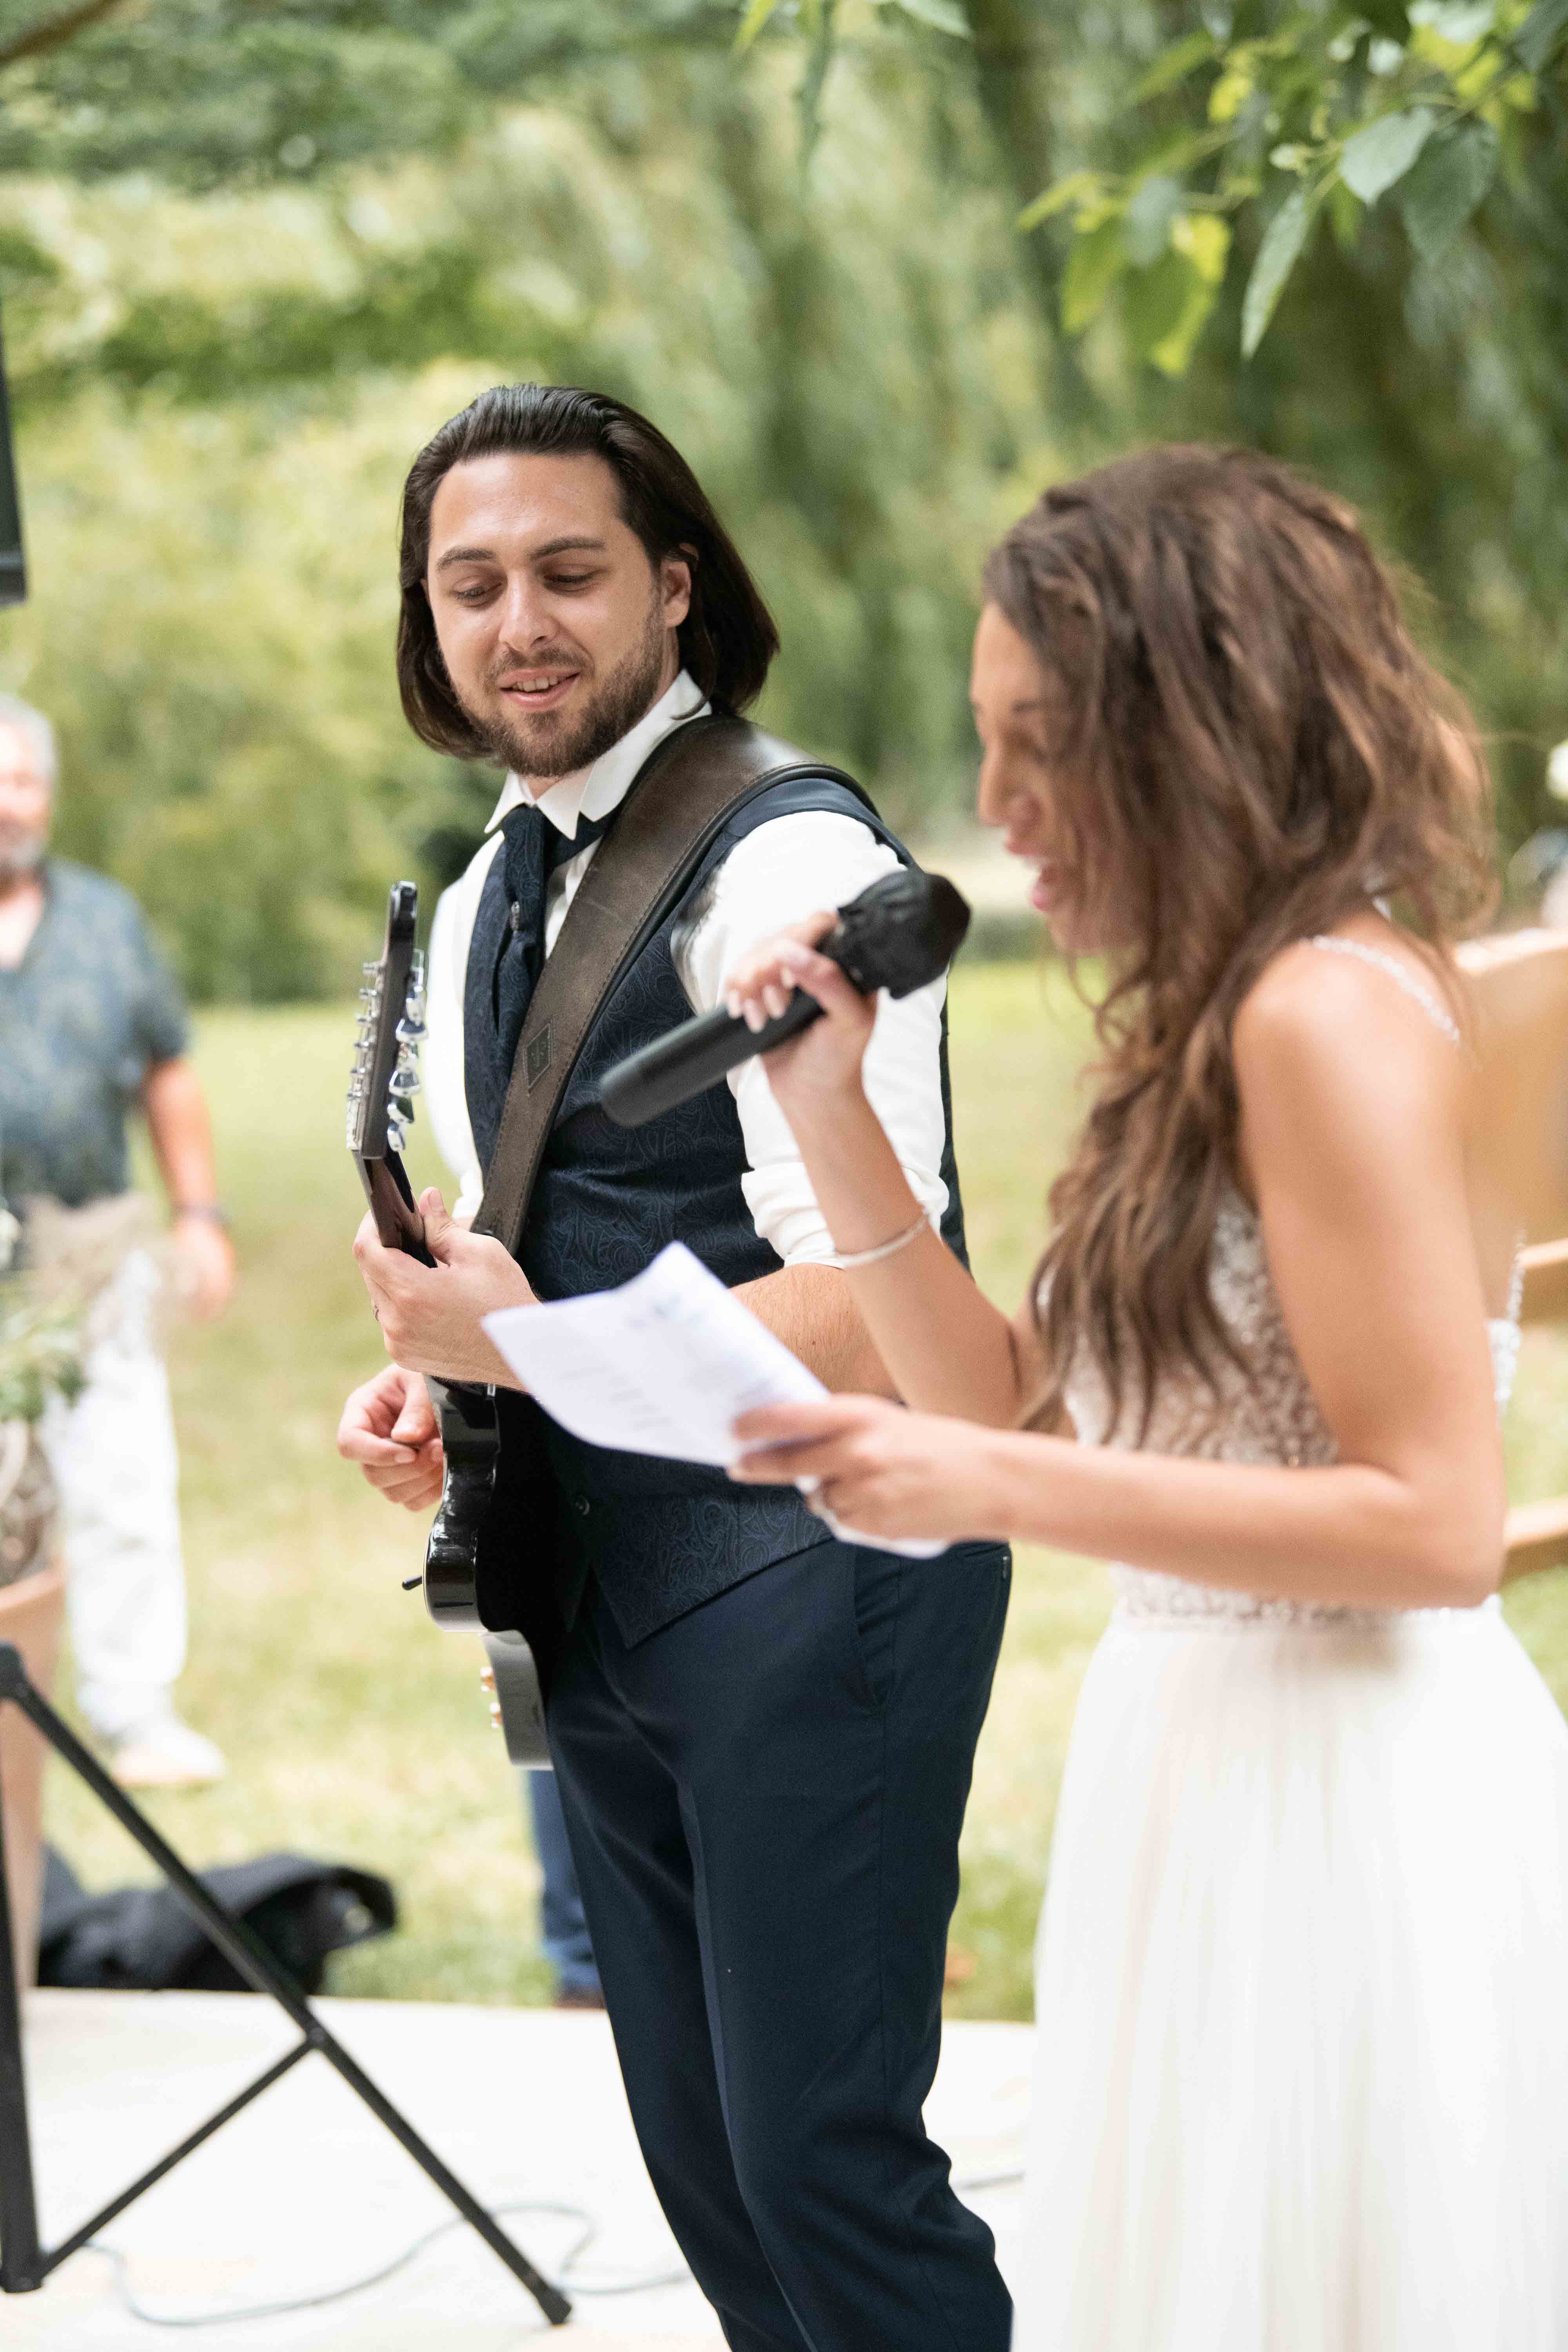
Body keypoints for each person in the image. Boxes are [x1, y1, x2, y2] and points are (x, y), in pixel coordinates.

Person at [725, 446, 1568, 2349]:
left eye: (1041, 744)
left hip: (1341, 1800)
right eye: (985, 742)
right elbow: (1005, 1406)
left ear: (1197, 728)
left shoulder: (1318, 1017)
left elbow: (1438, 1524)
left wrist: (981, 1494)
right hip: (1195, 1775)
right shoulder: (1201, 1021)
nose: (993, 806)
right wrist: (829, 1113)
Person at [336, 384, 1013, 2350]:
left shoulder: (788, 860)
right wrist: (451, 1386)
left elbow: (880, 1308)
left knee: (825, 2166)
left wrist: (519, 1345)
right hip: (603, 1593)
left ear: (677, 586)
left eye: (569, 572)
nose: (518, 624)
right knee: (710, 2169)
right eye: (470, 585)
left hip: (824, 1580)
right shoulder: (489, 883)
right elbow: (530, 1253)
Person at [0, 694, 234, 1787]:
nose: (6, 804)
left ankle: (136, 1713)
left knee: (121, 1477)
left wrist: (202, 1216)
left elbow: (167, 1072)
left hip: (90, 1244)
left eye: (22, 781)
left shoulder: (104, 918)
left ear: (48, 796)